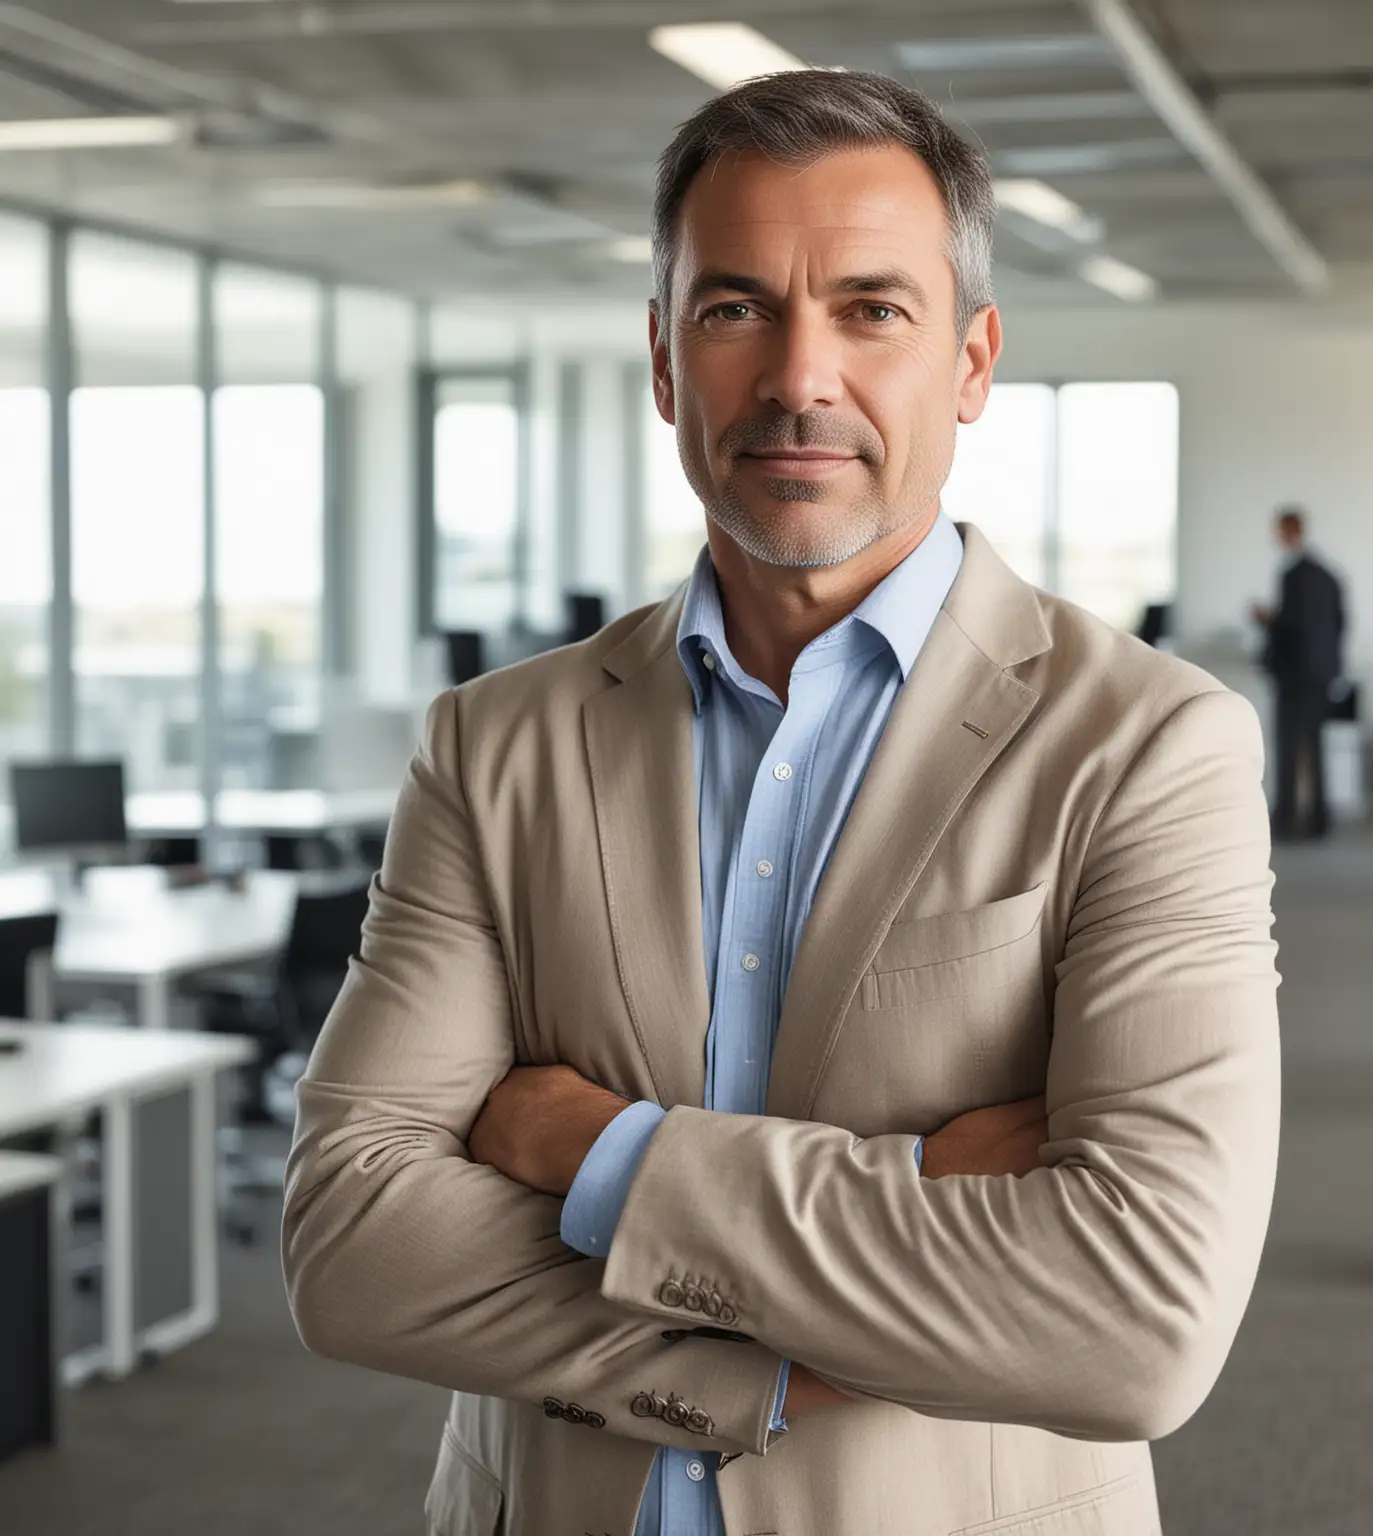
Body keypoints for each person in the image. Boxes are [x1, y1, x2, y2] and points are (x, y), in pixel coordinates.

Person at [283, 70, 1280, 1536]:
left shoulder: (1146, 747)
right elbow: (351, 1246)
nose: (800, 377)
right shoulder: (496, 746)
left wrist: (593, 1151)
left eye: (873, 309)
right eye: (736, 307)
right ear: (666, 360)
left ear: (973, 362)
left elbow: (1136, 1320)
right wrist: (921, 1202)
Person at [1251, 507, 1347, 840]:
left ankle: (1287, 822)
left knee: (1289, 747)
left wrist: (1267, 619)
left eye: (1279, 529)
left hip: (1294, 675)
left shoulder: (1293, 576)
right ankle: (1319, 821)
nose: (1276, 536)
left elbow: (1290, 626)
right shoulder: (1329, 574)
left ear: (1291, 530)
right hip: (1322, 674)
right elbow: (1340, 624)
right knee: (1316, 747)